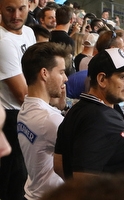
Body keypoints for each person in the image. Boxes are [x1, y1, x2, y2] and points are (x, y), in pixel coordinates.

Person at [54, 47, 124, 183]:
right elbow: (83, 182)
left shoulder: (80, 109)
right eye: (123, 77)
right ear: (102, 79)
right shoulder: (99, 119)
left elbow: (59, 165)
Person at [18, 42, 69, 200]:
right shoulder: (50, 119)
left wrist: (60, 109)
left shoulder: (26, 108)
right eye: (61, 72)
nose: (65, 78)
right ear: (44, 73)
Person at [0, 0, 37, 199]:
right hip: (10, 119)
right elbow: (22, 94)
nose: (16, 15)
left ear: (29, 6)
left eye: (21, 9)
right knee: (11, 182)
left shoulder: (29, 32)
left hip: (26, 113)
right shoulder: (3, 42)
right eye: (9, 9)